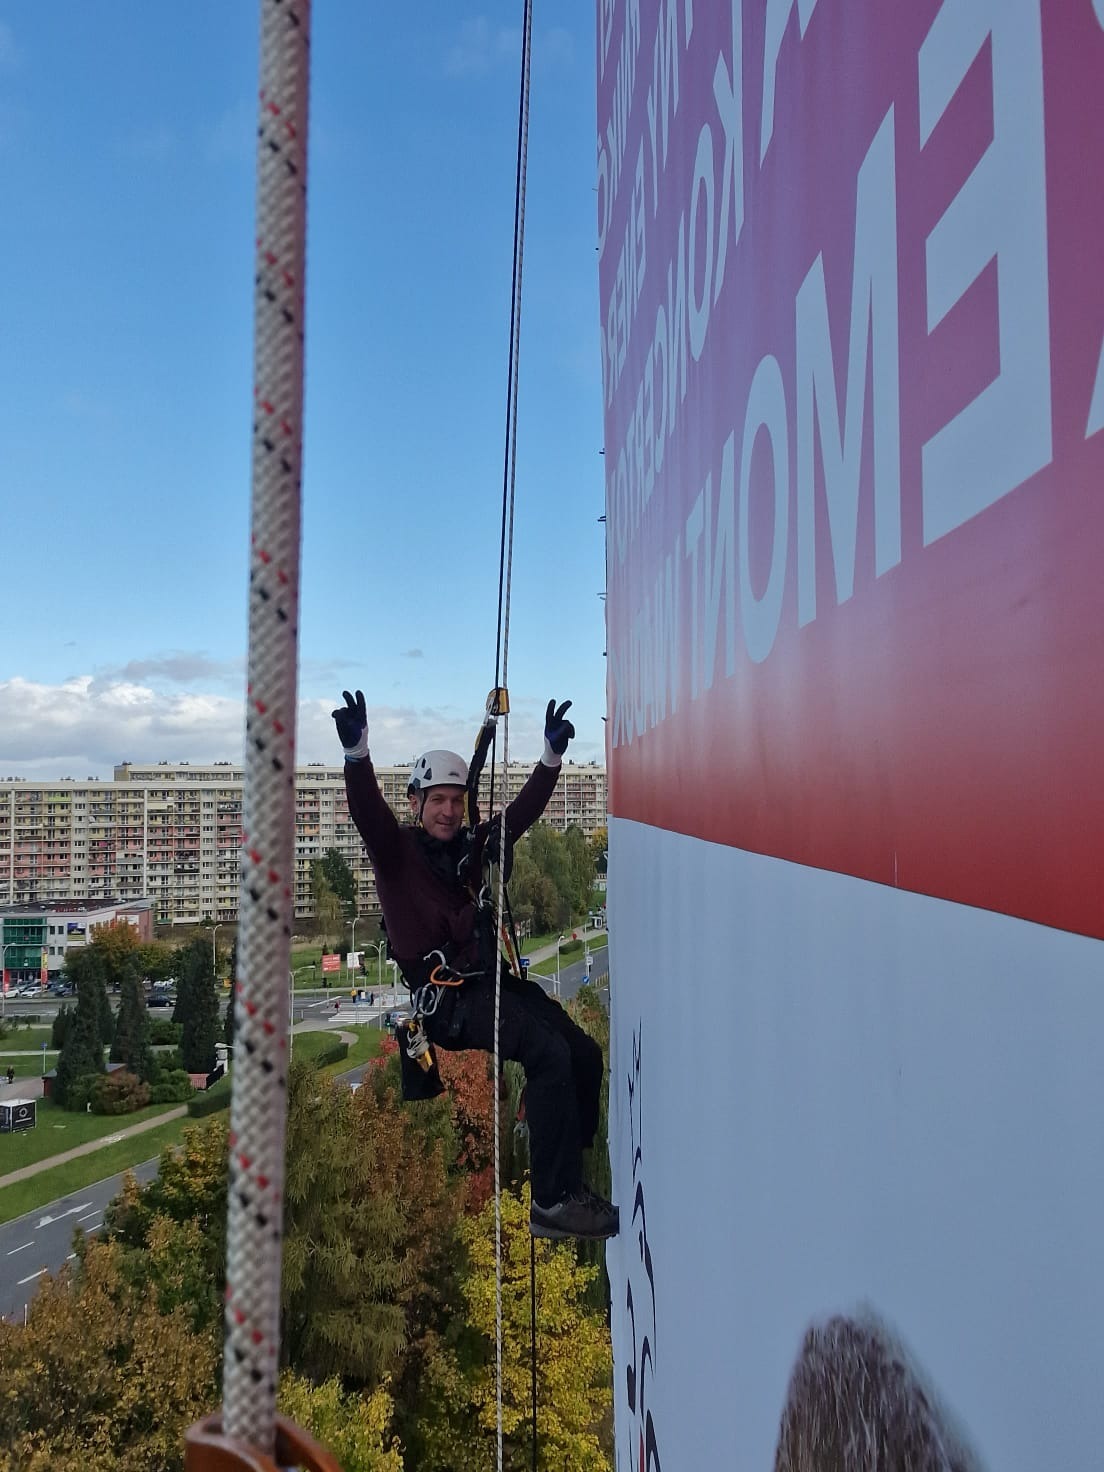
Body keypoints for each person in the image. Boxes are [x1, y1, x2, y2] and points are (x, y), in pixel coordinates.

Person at [333, 688, 618, 1242]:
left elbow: (520, 817)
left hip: (487, 988)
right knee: (548, 1053)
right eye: (437, 800)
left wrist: (550, 759)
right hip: (451, 1005)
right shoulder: (398, 857)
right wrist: (357, 754)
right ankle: (554, 1203)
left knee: (583, 1054)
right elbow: (368, 815)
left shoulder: (468, 850)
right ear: (415, 804)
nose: (448, 810)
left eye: (456, 801)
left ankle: (566, 1170)